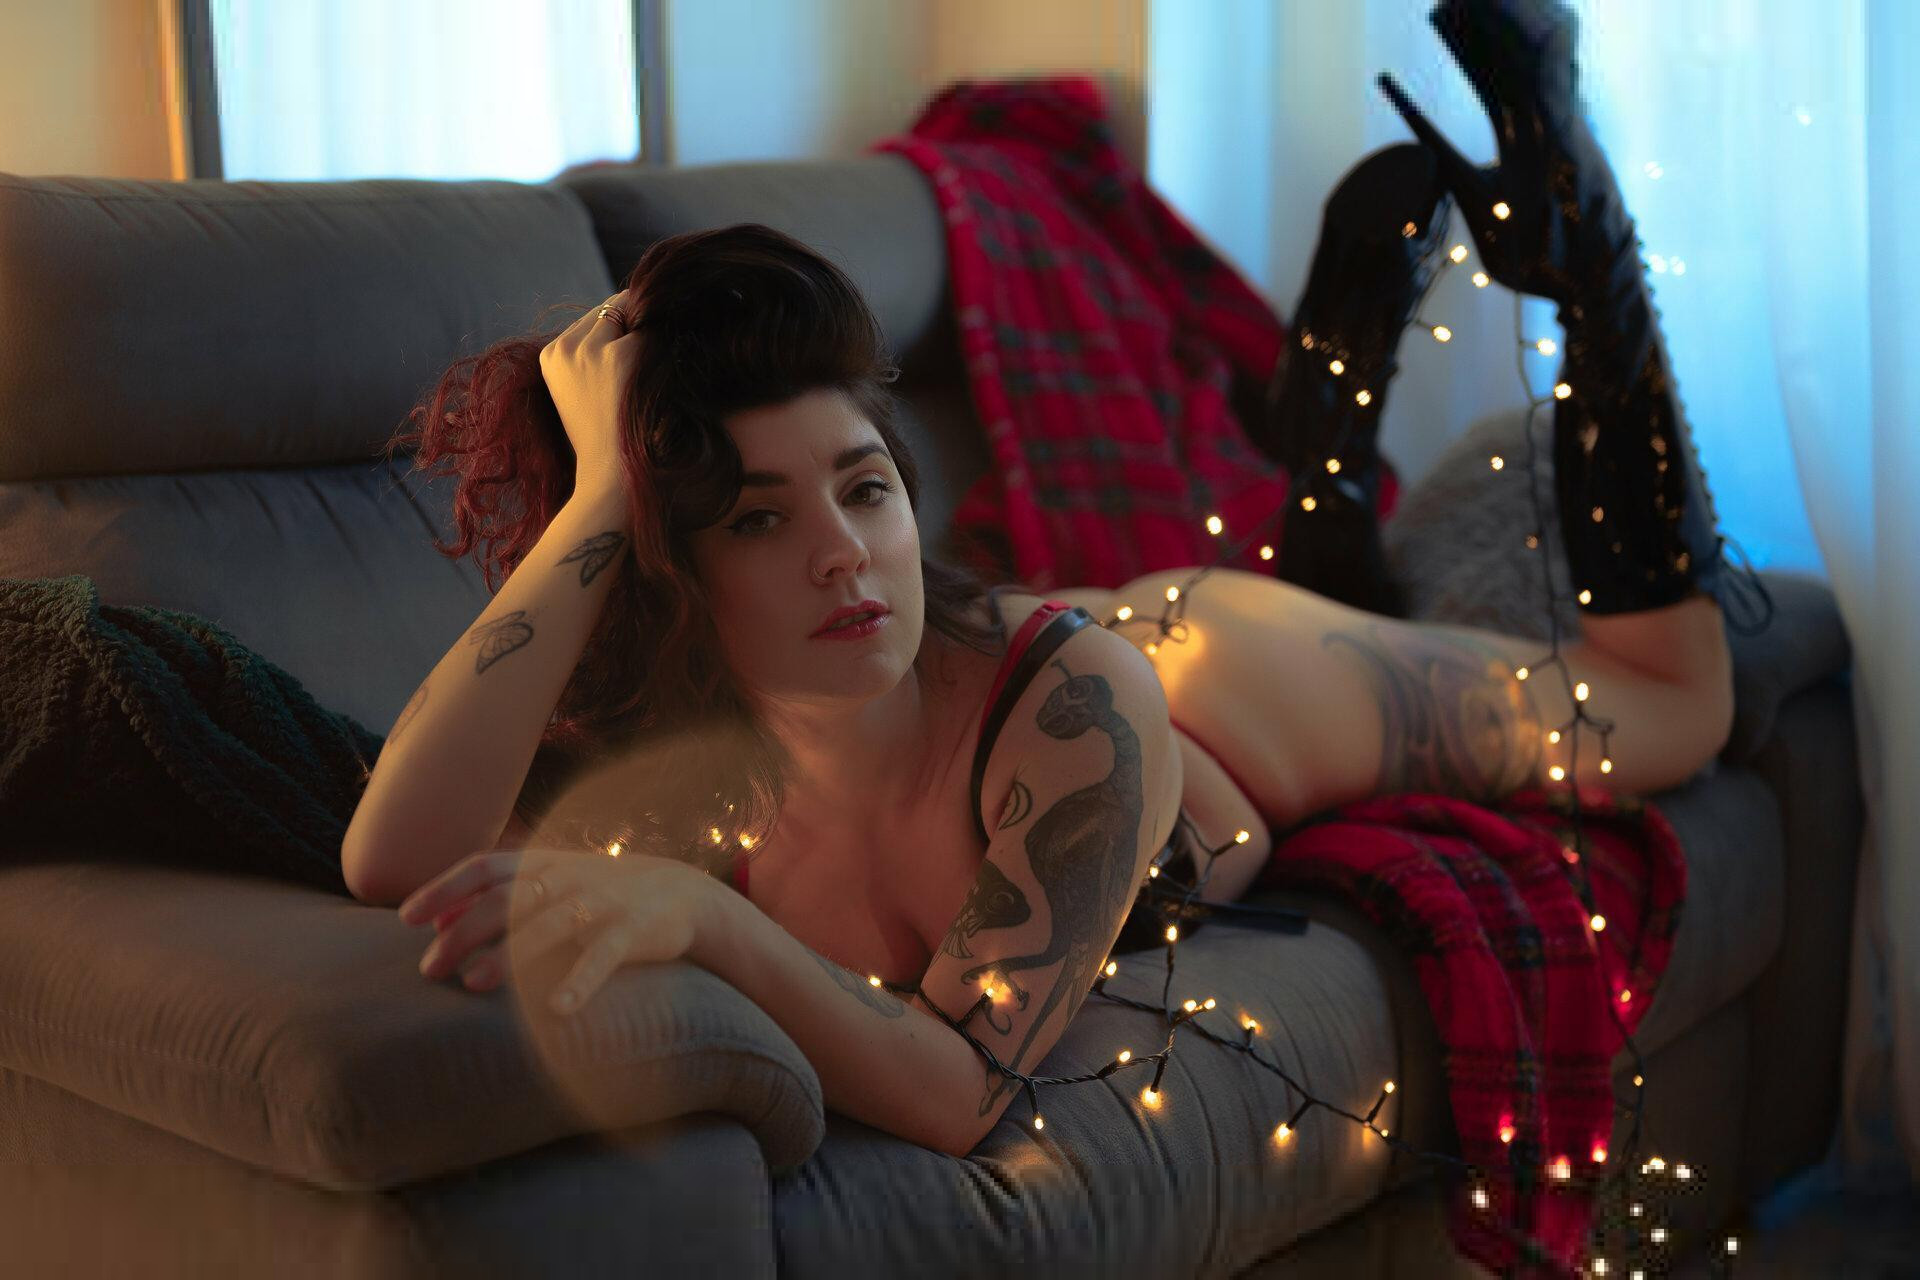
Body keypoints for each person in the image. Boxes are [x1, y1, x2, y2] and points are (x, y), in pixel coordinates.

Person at [341, 0, 1746, 1148]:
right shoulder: (683, 760)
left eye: (866, 488)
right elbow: (391, 859)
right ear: (673, 577)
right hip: (1107, 706)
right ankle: (1323, 471)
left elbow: (961, 1094)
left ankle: (1580, 239)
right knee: (1437, 616)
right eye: (760, 522)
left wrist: (711, 923)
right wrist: (601, 499)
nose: (845, 554)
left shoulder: (1080, 702)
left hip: (1222, 688)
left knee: (1674, 702)